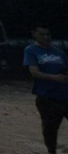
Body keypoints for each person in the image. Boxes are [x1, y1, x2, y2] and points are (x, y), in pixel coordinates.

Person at [26, 24, 68, 153]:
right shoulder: (31, 50)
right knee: (50, 128)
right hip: (47, 97)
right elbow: (34, 72)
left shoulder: (59, 52)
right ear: (34, 34)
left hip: (65, 95)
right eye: (42, 34)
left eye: (47, 34)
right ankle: (52, 151)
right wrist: (55, 78)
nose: (45, 37)